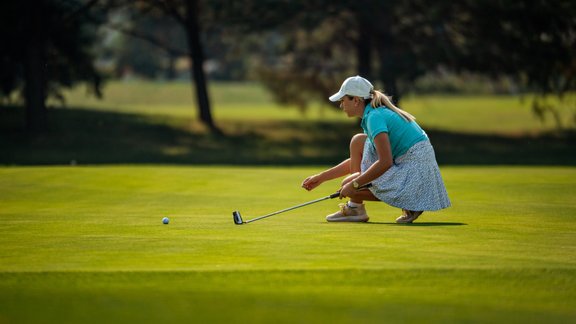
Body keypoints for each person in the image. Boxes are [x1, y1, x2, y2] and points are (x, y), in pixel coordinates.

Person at [301, 76, 450, 223]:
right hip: (410, 166)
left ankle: (407, 203)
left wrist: (354, 186)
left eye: (343, 100)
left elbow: (385, 162)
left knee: (350, 183)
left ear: (356, 100)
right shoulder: (373, 114)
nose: (341, 105)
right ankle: (355, 207)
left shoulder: (374, 117)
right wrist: (321, 177)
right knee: (358, 142)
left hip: (415, 174)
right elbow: (361, 158)